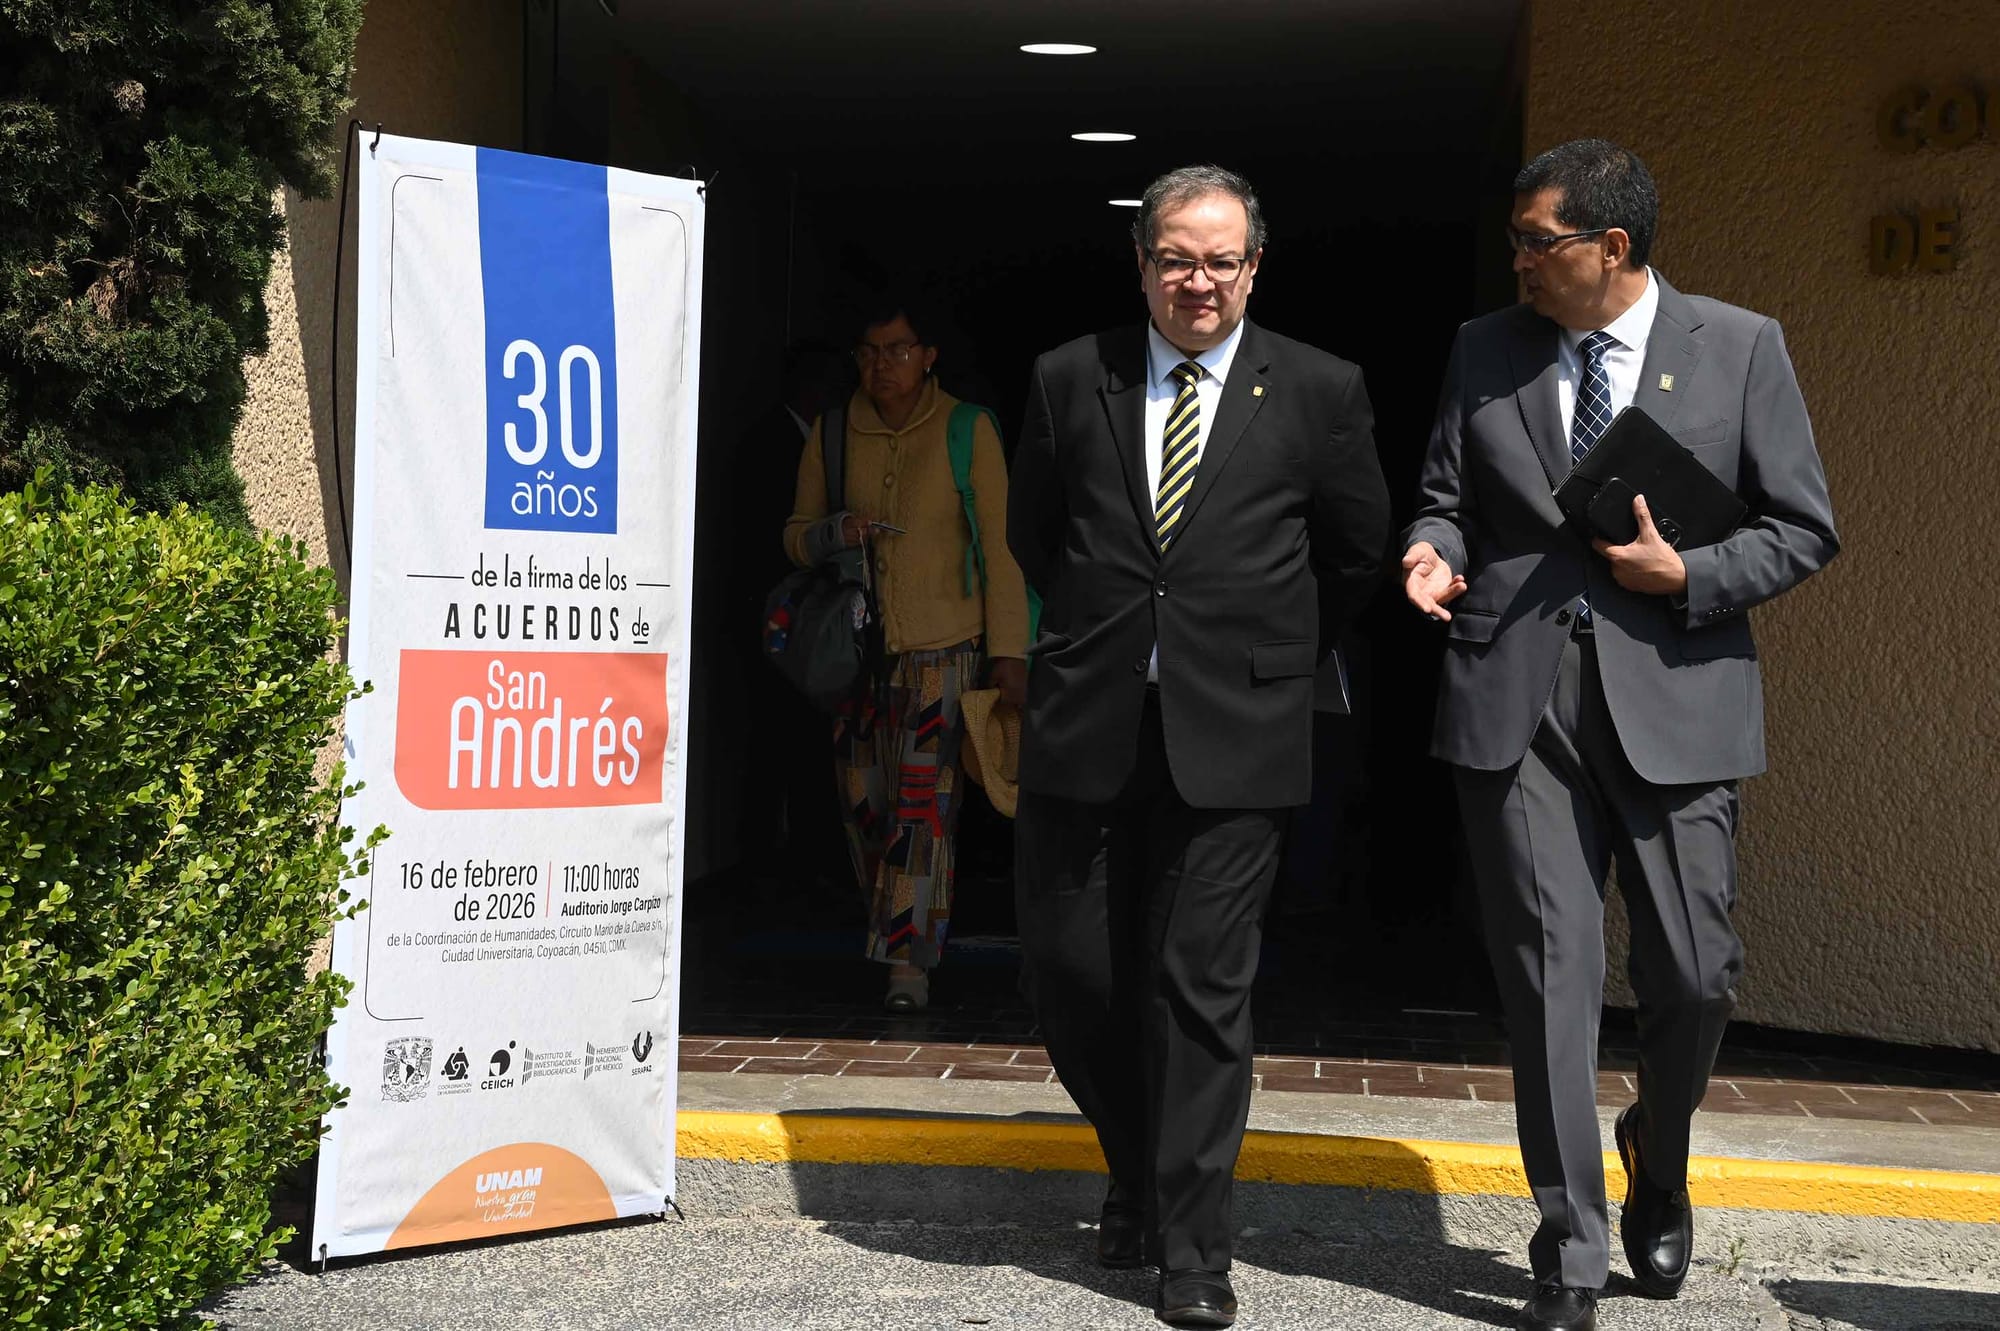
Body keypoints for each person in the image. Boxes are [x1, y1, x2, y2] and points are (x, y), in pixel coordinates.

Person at [1402, 139, 1838, 1331]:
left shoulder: (1738, 346)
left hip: (1675, 697)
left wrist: (1684, 568)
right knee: (1548, 975)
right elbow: (1444, 489)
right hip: (1515, 697)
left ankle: (1658, 1146)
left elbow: (1802, 528)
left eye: (1538, 243)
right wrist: (1430, 547)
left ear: (1612, 247)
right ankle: (1569, 1247)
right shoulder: (1481, 345)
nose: (1518, 263)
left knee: (1693, 974)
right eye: (1514, 242)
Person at [1007, 165, 1390, 1329]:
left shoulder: (1319, 389)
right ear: (1141, 263)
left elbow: (1355, 553)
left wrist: (1256, 655)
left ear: (1254, 267)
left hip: (1239, 742)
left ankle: (1191, 1246)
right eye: (1175, 256)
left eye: (1221, 260)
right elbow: (1038, 538)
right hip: (1087, 729)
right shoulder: (1071, 376)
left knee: (1198, 992)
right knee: (1072, 979)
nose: (1197, 280)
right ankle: (1132, 1162)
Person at [783, 299, 1029, 1011]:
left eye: (896, 350)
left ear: (928, 356)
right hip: (855, 657)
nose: (880, 365)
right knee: (865, 803)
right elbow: (794, 534)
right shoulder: (833, 432)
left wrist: (1009, 652)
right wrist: (834, 531)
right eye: (868, 351)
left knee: (921, 812)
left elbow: (1002, 547)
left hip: (943, 655)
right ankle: (894, 927)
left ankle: (908, 962)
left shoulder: (966, 429)